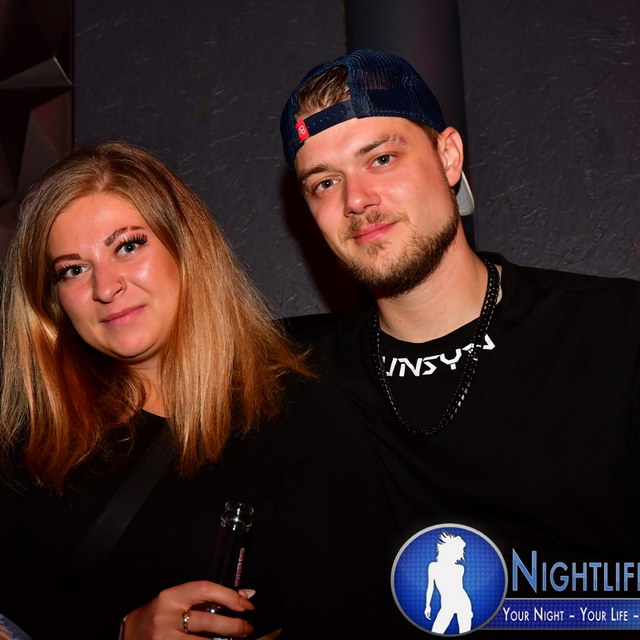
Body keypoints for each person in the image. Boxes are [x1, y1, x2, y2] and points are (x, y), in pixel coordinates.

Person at [274, 49, 640, 637]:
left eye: (382, 158)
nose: (355, 199)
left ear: (448, 157)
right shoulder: (293, 372)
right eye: (324, 182)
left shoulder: (613, 330)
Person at [0, 142, 307, 640]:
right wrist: (121, 633)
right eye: (73, 269)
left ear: (185, 246)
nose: (105, 287)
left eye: (127, 246)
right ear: (53, 301)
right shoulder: (29, 435)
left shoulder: (293, 408)